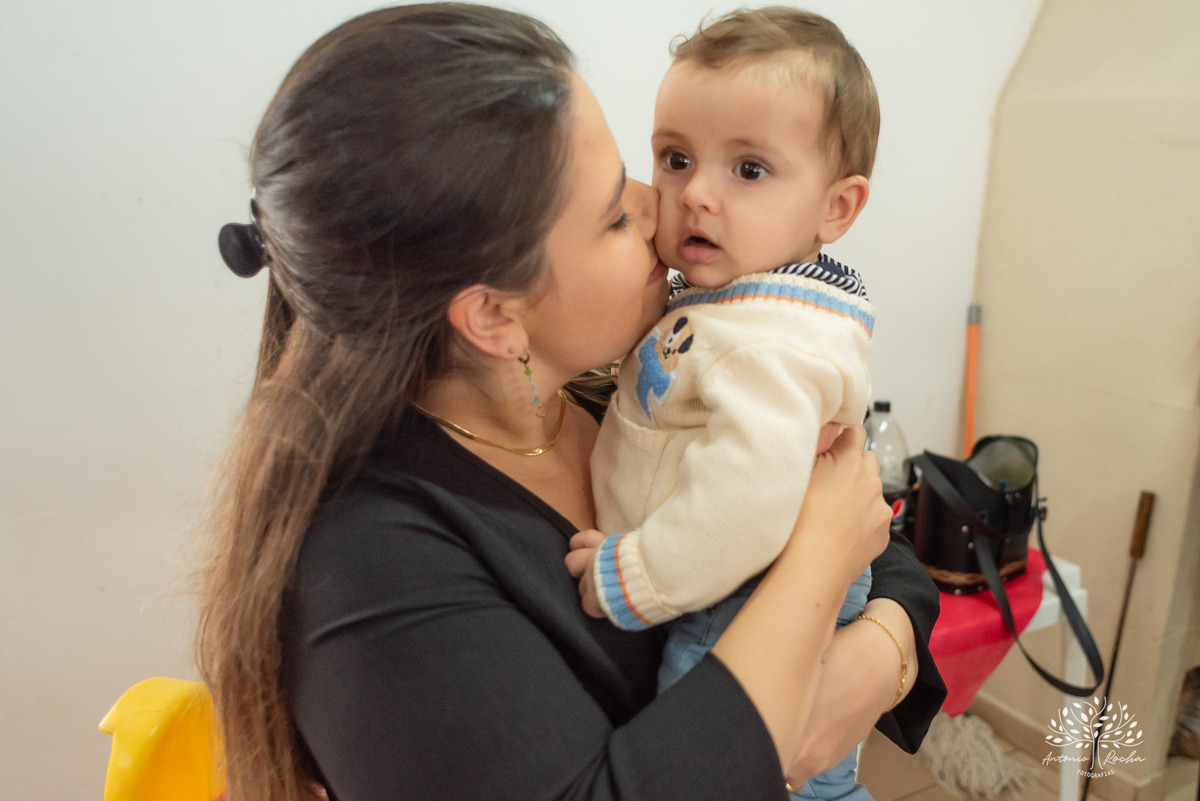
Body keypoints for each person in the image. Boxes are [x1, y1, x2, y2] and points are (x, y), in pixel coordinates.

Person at [198, 5, 945, 800]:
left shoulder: (612, 383)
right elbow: (830, 529)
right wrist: (820, 566)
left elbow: (854, 511)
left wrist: (874, 659)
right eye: (617, 214)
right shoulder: (372, 563)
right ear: (493, 315)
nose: (666, 206)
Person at [572, 8, 885, 800]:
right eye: (675, 158)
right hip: (730, 571)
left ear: (836, 209)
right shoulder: (735, 304)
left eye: (749, 170)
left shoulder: (770, 344)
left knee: (734, 758)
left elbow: (747, 499)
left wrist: (637, 575)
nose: (695, 195)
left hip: (736, 586)